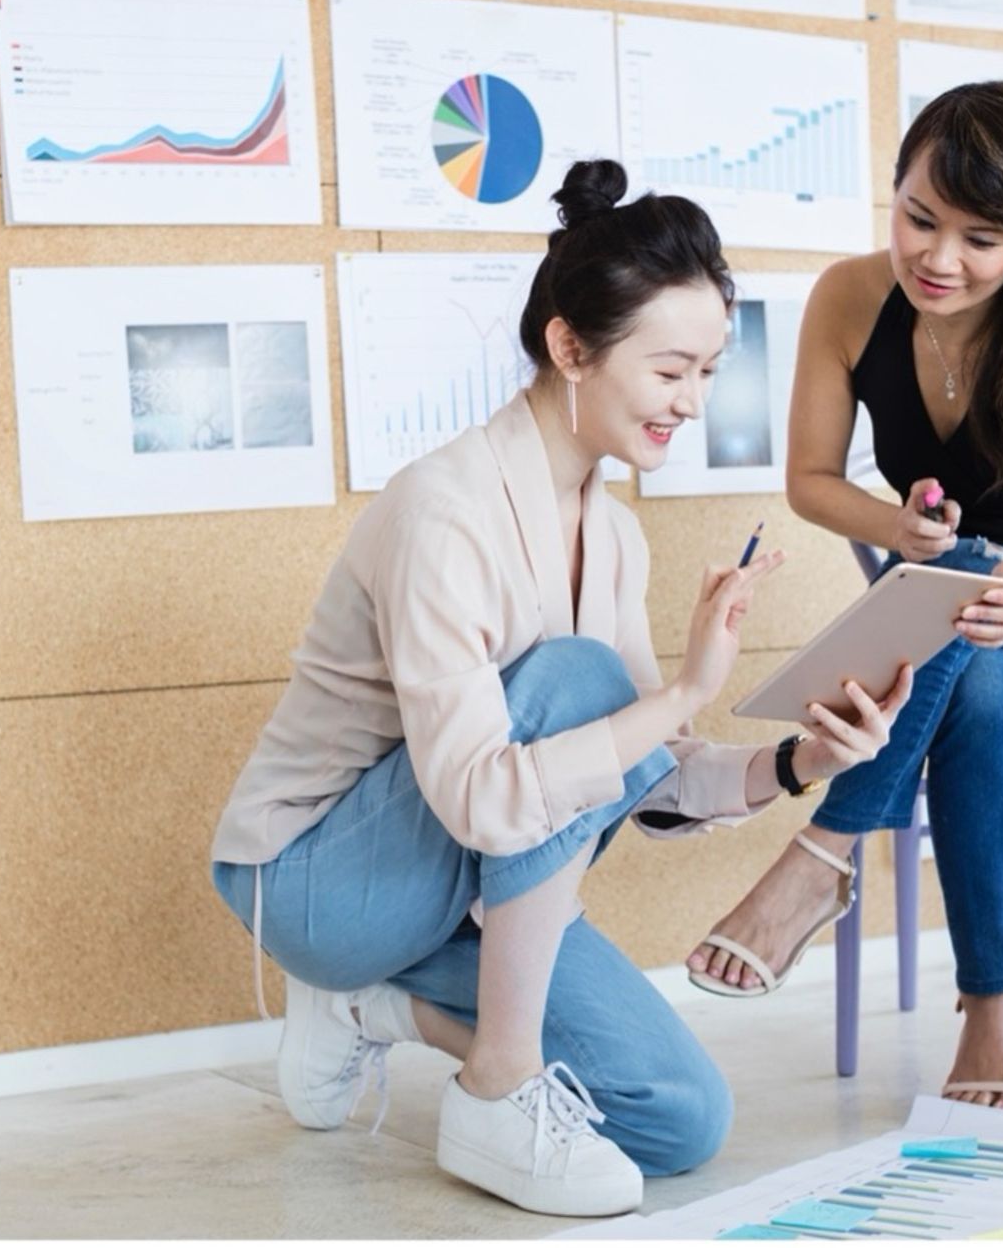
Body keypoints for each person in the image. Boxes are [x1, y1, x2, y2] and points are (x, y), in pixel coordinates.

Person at [208, 160, 911, 1217]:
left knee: (679, 1118)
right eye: (670, 368)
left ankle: (374, 1017)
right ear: (569, 348)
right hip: (322, 883)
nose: (691, 400)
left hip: (466, 881)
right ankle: (495, 1085)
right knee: (583, 678)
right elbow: (491, 796)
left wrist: (796, 760)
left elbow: (630, 769)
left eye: (710, 371)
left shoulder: (611, 532)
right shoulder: (443, 511)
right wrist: (679, 692)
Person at [686, 82, 1003, 1111]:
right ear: (895, 192)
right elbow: (811, 481)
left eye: (979, 238)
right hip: (966, 629)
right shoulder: (845, 299)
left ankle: (821, 853)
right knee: (976, 689)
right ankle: (990, 1012)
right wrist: (897, 532)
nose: (937, 258)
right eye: (918, 217)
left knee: (966, 589)